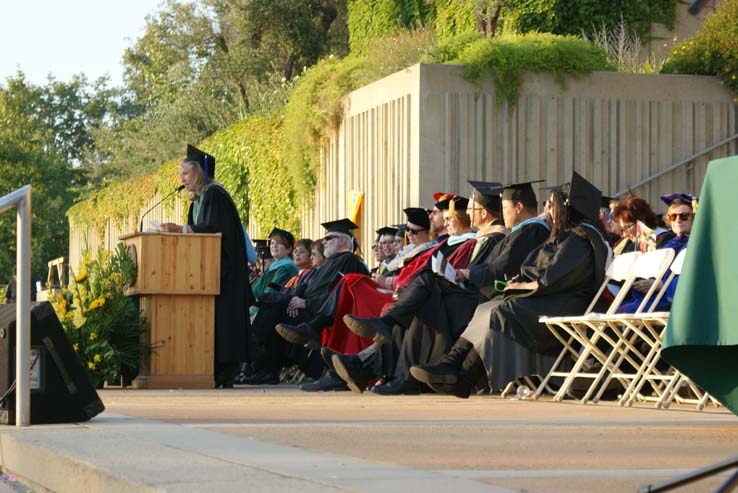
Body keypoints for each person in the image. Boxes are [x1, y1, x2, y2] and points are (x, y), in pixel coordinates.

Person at [339, 180, 551, 394]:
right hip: (482, 296)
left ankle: (390, 362)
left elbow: (501, 268)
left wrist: (466, 273)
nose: (503, 214)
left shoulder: (531, 231)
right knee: (425, 294)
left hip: (489, 301)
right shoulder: (521, 232)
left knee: (427, 291)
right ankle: (384, 368)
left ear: (519, 207)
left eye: (505, 208)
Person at [410, 172, 609, 398]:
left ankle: (464, 377)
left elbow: (555, 276)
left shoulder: (581, 239)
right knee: (487, 307)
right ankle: (451, 364)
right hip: (551, 298)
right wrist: (524, 280)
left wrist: (527, 284)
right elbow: (537, 266)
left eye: (551, 204)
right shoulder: (568, 236)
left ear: (566, 208)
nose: (548, 209)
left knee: (499, 311)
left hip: (566, 304)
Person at [160, 144, 252, 388]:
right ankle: (211, 368)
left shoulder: (215, 195)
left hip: (225, 272)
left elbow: (213, 230)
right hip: (207, 272)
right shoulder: (197, 202)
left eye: (186, 174)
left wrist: (181, 230)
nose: (182, 180)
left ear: (200, 172)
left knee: (224, 321)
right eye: (181, 175)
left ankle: (225, 371)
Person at [617, 193, 695, 313]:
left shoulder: (663, 239)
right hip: (650, 294)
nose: (625, 233)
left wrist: (660, 285)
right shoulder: (661, 241)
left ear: (641, 221)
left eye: (684, 216)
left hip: (669, 298)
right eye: (673, 217)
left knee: (628, 311)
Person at [249, 228, 298, 317]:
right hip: (263, 306)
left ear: (289, 249)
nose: (274, 246)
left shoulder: (287, 267)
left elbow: (271, 290)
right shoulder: (273, 266)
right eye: (272, 243)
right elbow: (257, 289)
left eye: (279, 243)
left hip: (274, 311)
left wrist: (254, 308)